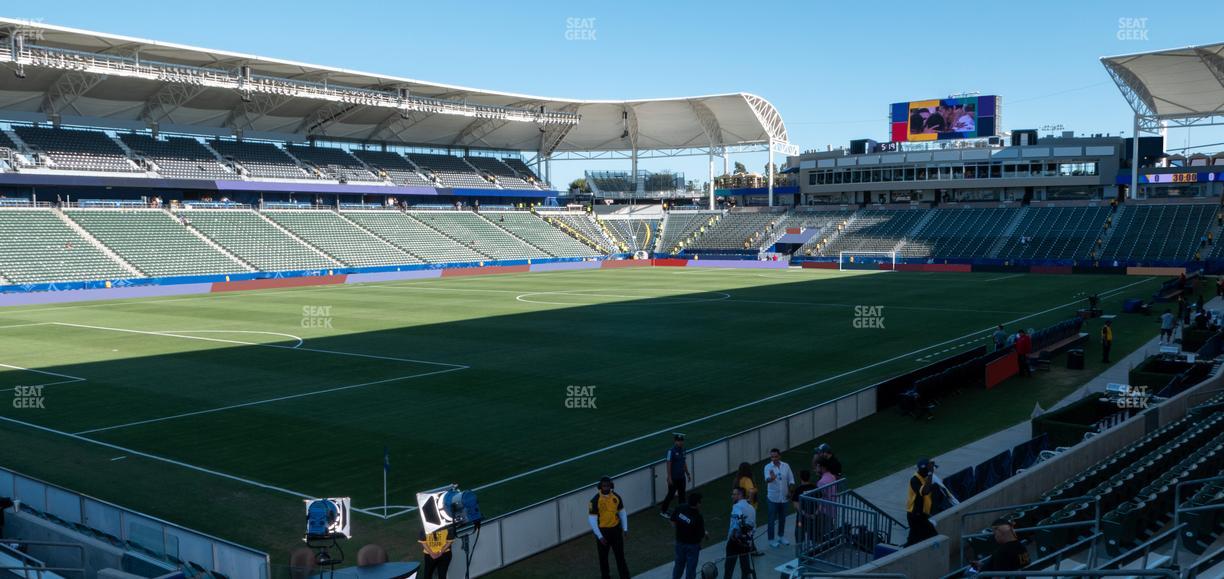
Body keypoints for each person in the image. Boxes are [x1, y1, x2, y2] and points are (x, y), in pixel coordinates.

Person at [589, 477, 630, 579]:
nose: (606, 487)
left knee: (620, 557)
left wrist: (625, 528)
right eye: (604, 486)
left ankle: (625, 576)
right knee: (603, 559)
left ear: (611, 486)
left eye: (608, 485)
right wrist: (600, 536)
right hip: (603, 532)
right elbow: (592, 520)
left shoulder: (616, 497)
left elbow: (622, 513)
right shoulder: (594, 500)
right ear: (600, 487)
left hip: (616, 531)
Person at [670, 492, 706, 579]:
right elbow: (701, 534)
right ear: (697, 503)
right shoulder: (698, 517)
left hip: (680, 543)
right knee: (691, 569)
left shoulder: (680, 508)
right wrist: (705, 534)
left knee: (678, 566)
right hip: (692, 546)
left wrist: (679, 530)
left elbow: (672, 520)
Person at [763, 448, 795, 548]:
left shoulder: (786, 466)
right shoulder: (768, 467)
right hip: (773, 498)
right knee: (771, 519)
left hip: (784, 498)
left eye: (776, 456)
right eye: (772, 457)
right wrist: (771, 479)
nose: (774, 458)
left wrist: (791, 491)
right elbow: (767, 479)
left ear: (779, 456)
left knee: (782, 518)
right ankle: (771, 539)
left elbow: (791, 480)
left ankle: (781, 536)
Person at [725, 487, 756, 579]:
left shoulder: (736, 507)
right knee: (745, 569)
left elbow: (735, 525)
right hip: (746, 543)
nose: (732, 496)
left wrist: (732, 536)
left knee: (729, 568)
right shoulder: (752, 508)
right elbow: (754, 527)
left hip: (734, 542)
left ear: (740, 495)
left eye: (734, 494)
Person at [906, 458, 938, 547]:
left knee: (913, 540)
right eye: (928, 470)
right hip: (915, 515)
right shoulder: (915, 480)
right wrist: (930, 473)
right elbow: (925, 491)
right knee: (933, 536)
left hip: (921, 515)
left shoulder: (924, 478)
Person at [661, 434, 690, 515]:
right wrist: (669, 477)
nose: (680, 442)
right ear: (675, 441)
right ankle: (663, 511)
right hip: (674, 478)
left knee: (682, 495)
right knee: (670, 495)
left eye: (681, 441)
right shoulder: (671, 451)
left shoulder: (683, 450)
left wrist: (687, 473)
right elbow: (668, 464)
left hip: (681, 477)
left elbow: (683, 462)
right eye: (678, 441)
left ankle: (682, 511)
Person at [791, 470, 817, 545]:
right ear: (809, 477)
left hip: (801, 518)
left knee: (799, 531)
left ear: (800, 478)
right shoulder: (814, 487)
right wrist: (815, 513)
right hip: (813, 517)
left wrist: (804, 513)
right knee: (813, 532)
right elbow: (820, 502)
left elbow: (795, 504)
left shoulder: (798, 490)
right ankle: (814, 548)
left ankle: (800, 550)